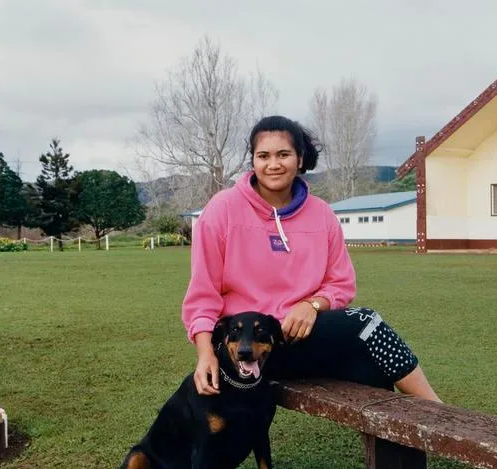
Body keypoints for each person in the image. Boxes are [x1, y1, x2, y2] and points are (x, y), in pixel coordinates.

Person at [182, 115, 440, 402]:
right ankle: (441, 413)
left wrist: (312, 304)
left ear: (300, 159)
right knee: (365, 321)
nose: (273, 164)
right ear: (253, 161)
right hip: (246, 348)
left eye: (283, 154)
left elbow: (341, 283)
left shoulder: (322, 214)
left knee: (372, 369)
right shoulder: (222, 209)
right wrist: (205, 354)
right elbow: (202, 296)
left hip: (301, 338)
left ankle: (418, 433)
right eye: (263, 156)